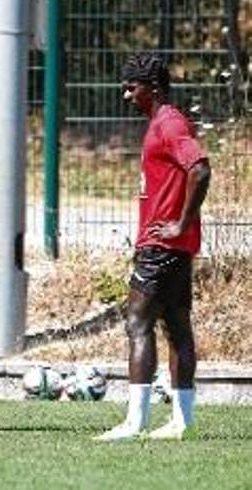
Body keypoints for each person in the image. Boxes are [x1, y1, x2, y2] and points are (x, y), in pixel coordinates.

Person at [96, 53, 211, 441]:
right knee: (176, 325)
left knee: (137, 321)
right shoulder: (159, 125)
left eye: (132, 86)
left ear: (154, 87)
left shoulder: (170, 123)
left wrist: (179, 222)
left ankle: (136, 420)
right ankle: (182, 421)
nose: (126, 94)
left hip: (164, 245)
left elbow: (200, 169)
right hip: (168, 244)